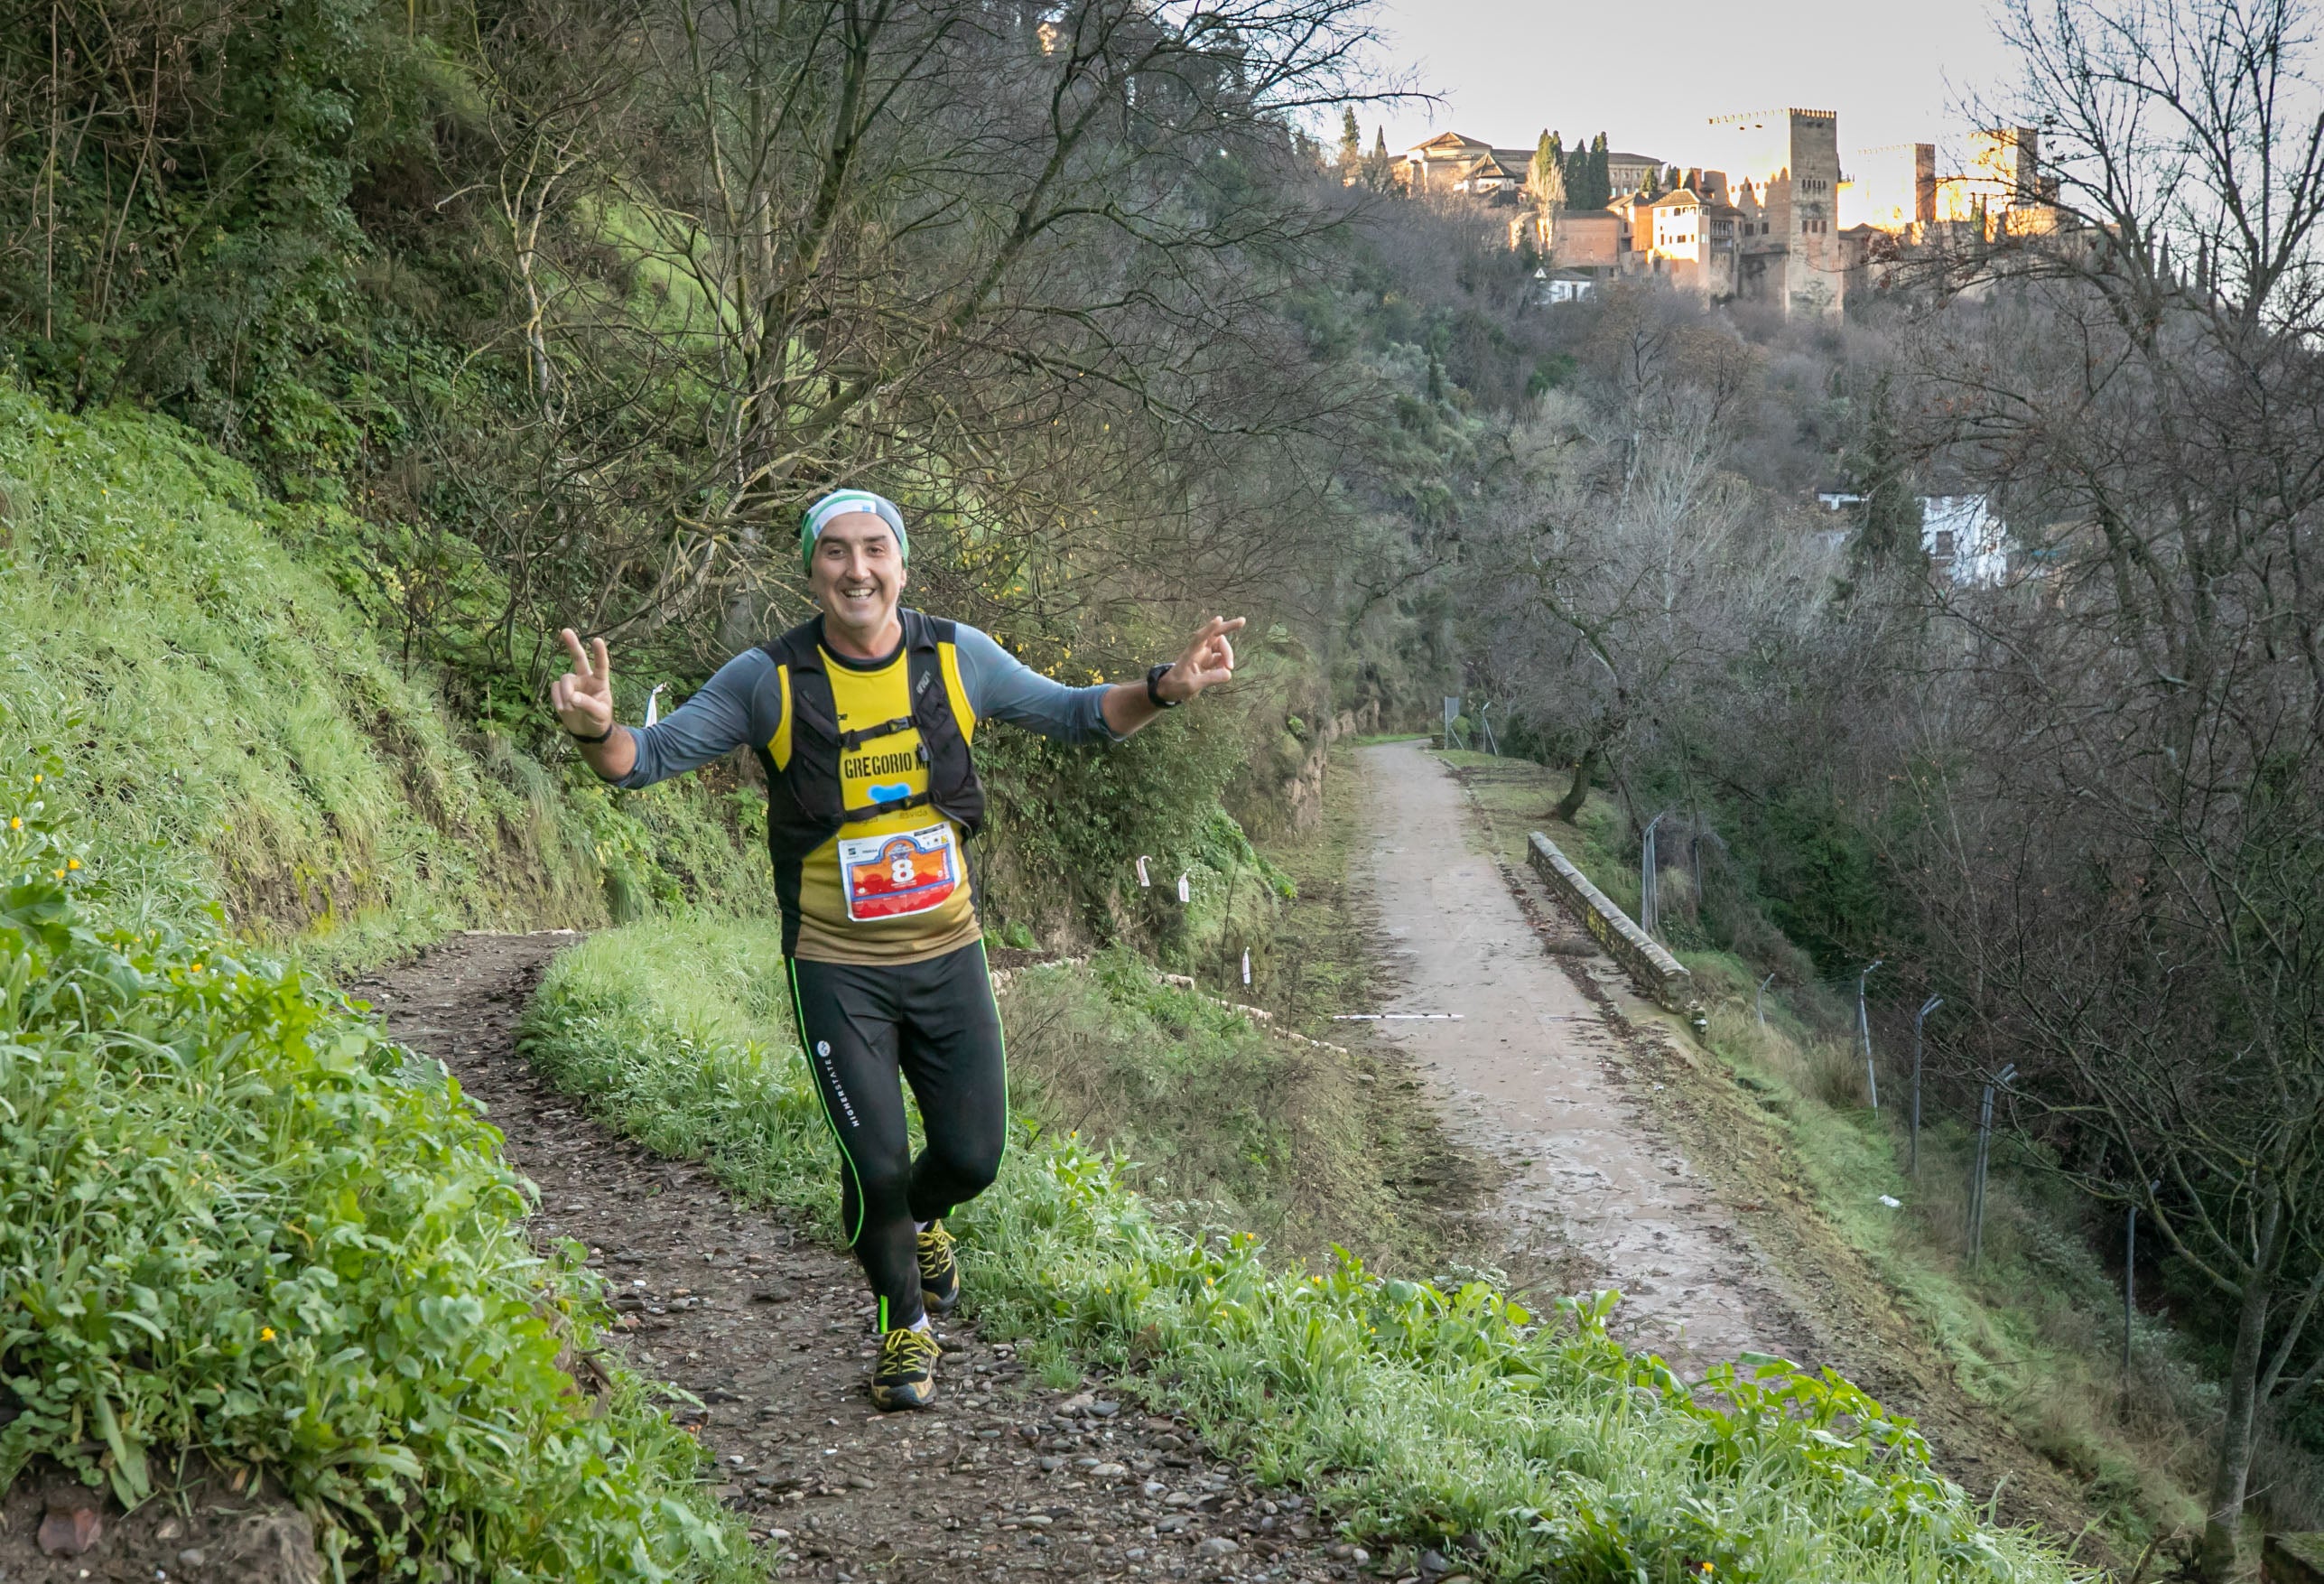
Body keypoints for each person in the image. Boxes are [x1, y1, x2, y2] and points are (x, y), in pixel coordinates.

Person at [548, 488, 1242, 1409]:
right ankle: (903, 1326)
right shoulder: (769, 680)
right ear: (812, 569)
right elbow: (647, 758)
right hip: (837, 969)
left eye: (875, 548)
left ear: (903, 565)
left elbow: (1078, 714)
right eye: (835, 551)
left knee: (971, 1156)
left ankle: (924, 1218)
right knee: (875, 1165)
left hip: (948, 954)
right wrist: (598, 728)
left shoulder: (956, 657)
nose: (857, 568)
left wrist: (1164, 686)